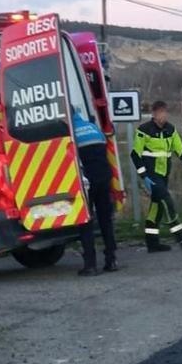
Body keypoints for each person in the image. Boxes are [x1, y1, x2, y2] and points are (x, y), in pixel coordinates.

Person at [131, 100, 182, 252]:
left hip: (163, 175)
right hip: (151, 175)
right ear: (154, 114)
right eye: (160, 112)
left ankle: (152, 243)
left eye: (164, 112)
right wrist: (144, 176)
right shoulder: (144, 130)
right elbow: (135, 154)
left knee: (157, 208)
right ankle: (181, 237)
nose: (163, 115)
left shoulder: (171, 130)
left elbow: (181, 152)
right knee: (167, 202)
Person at [71, 110, 119, 276]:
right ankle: (111, 260)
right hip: (104, 178)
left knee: (85, 221)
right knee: (106, 220)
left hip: (86, 181)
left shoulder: (71, 133)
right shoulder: (92, 127)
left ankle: (90, 265)